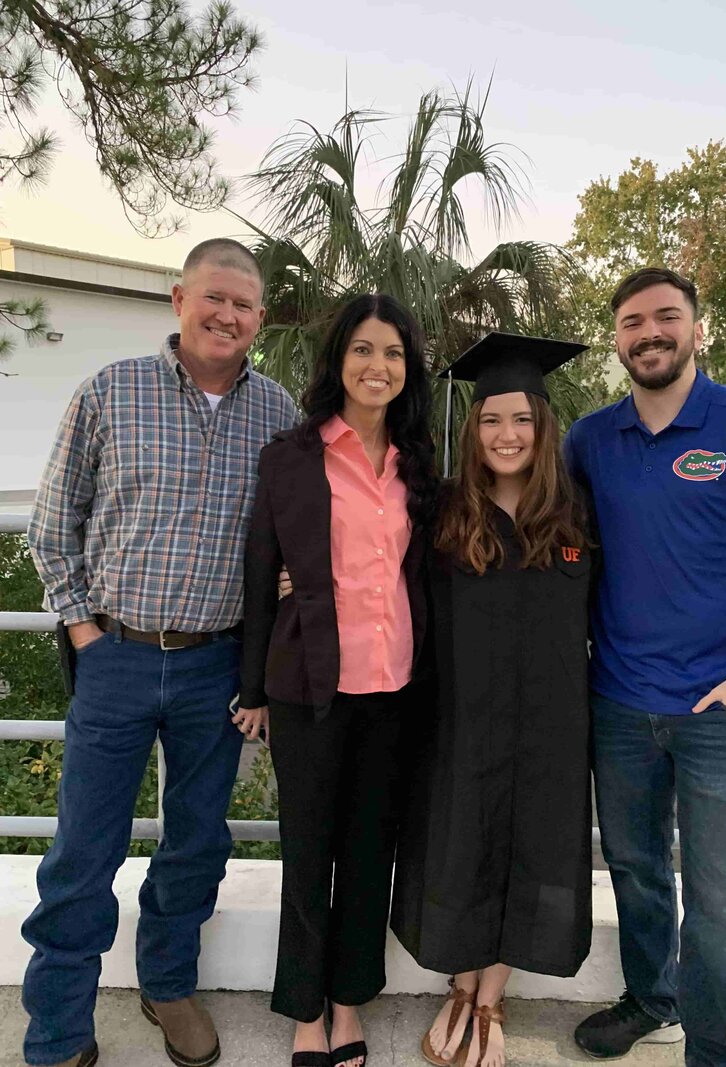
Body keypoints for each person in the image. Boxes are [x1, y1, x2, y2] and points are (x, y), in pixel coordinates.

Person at [22, 238, 297, 1067]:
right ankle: (59, 1024)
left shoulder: (277, 414)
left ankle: (168, 981)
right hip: (117, 654)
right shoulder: (112, 390)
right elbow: (50, 525)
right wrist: (82, 631)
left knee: (198, 841)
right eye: (214, 296)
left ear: (259, 319)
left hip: (218, 664)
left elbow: (292, 538)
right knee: (84, 848)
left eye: (244, 304)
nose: (228, 314)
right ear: (179, 299)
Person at [564, 267, 726, 1066]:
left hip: (723, 714)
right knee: (635, 868)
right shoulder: (590, 439)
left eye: (667, 317)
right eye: (633, 322)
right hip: (620, 703)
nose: (650, 332)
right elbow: (536, 533)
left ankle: (711, 1046)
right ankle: (650, 996)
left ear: (698, 330)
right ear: (619, 340)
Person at [236, 293, 438, 1067]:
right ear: (338, 361)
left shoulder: (417, 465)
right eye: (362, 349)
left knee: (367, 854)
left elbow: (425, 576)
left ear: (406, 368)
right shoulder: (291, 455)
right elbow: (262, 574)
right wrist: (252, 688)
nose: (376, 365)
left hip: (394, 690)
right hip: (307, 689)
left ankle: (350, 1001)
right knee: (307, 850)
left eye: (391, 352)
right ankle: (305, 1011)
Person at [390, 332, 594, 1067]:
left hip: (552, 730)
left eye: (522, 420)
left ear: (543, 428)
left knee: (533, 849)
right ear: (473, 430)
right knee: (464, 847)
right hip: (459, 727)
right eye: (490, 420)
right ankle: (461, 981)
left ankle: (489, 997)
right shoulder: (443, 514)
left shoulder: (578, 514)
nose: (506, 434)